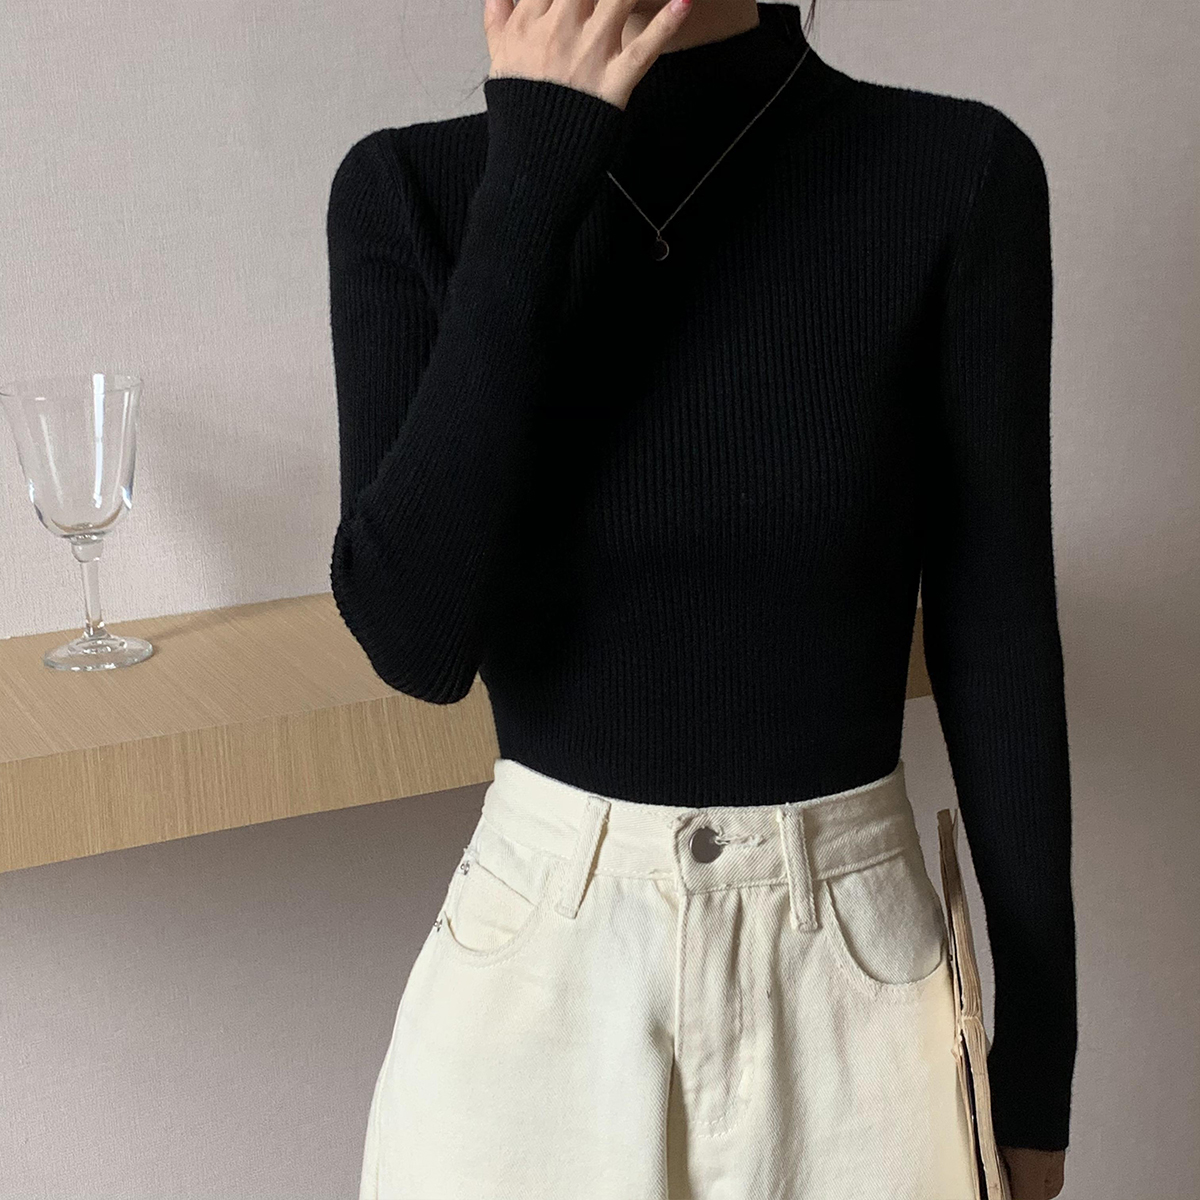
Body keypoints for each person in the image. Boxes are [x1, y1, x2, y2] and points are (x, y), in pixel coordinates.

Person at [326, 1, 1077, 1197]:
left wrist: (1033, 1080)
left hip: (857, 1002)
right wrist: (535, 172)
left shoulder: (957, 175)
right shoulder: (409, 189)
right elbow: (415, 640)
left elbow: (1002, 652)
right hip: (536, 996)